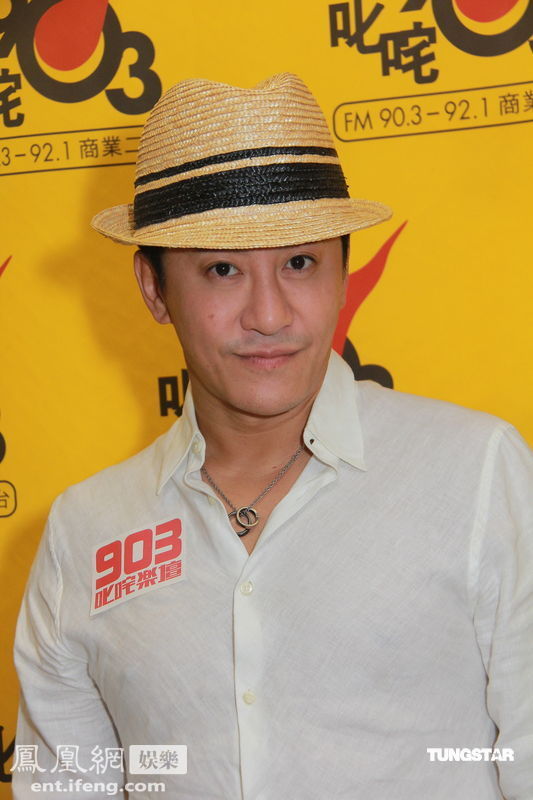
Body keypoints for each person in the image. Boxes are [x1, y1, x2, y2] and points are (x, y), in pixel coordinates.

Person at [13, 73, 532, 800]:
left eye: (299, 263)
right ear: (154, 289)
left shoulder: (474, 472)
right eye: (223, 269)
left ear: (343, 273)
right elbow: (66, 787)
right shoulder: (85, 531)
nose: (268, 314)